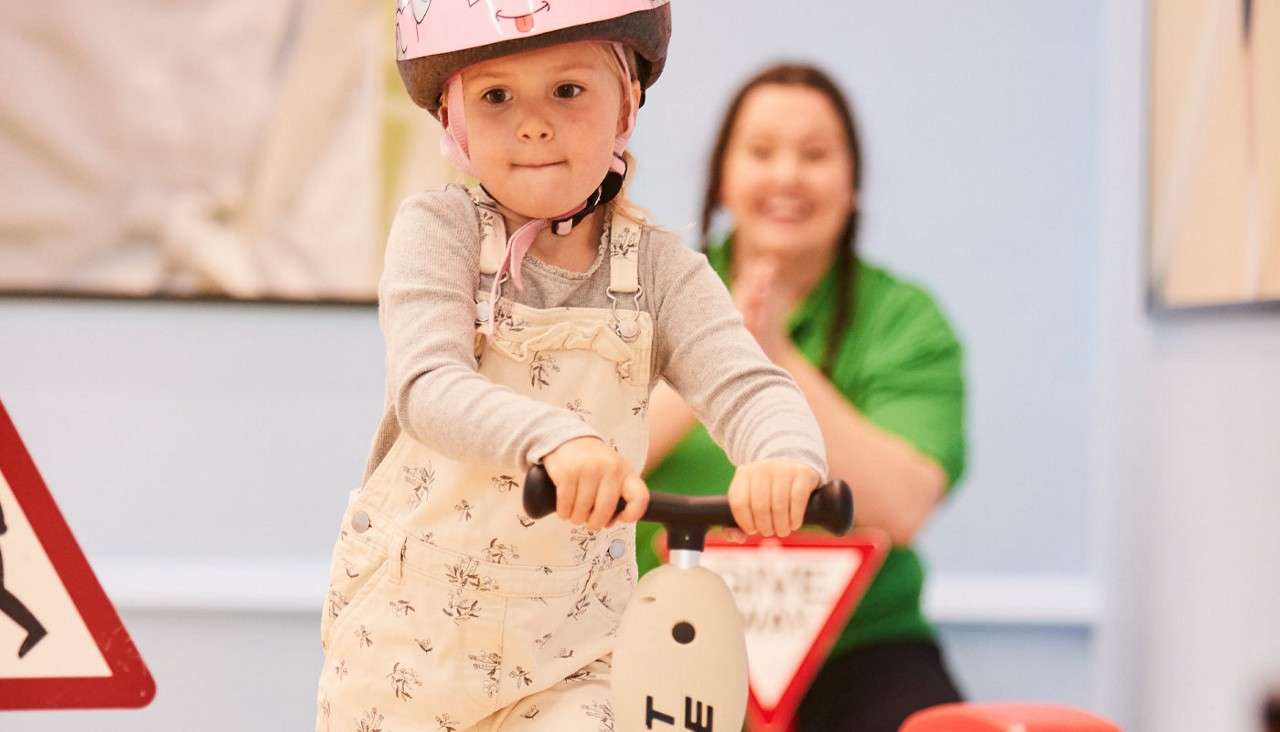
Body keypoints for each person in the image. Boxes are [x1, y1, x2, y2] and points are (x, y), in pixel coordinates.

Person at [315, 4, 829, 730]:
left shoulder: (662, 271)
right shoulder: (440, 233)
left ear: (626, 105)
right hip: (407, 649)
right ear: (454, 120)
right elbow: (428, 385)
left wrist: (782, 455)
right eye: (496, 96)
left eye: (568, 90)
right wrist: (556, 439)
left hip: (572, 656)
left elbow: (747, 385)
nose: (533, 123)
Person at [640, 63, 968, 732]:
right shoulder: (646, 296)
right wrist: (723, 345)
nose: (787, 175)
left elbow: (902, 507)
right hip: (656, 635)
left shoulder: (905, 319)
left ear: (852, 186)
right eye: (761, 152)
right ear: (723, 178)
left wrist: (780, 356)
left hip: (861, 648)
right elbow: (592, 455)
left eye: (815, 155)